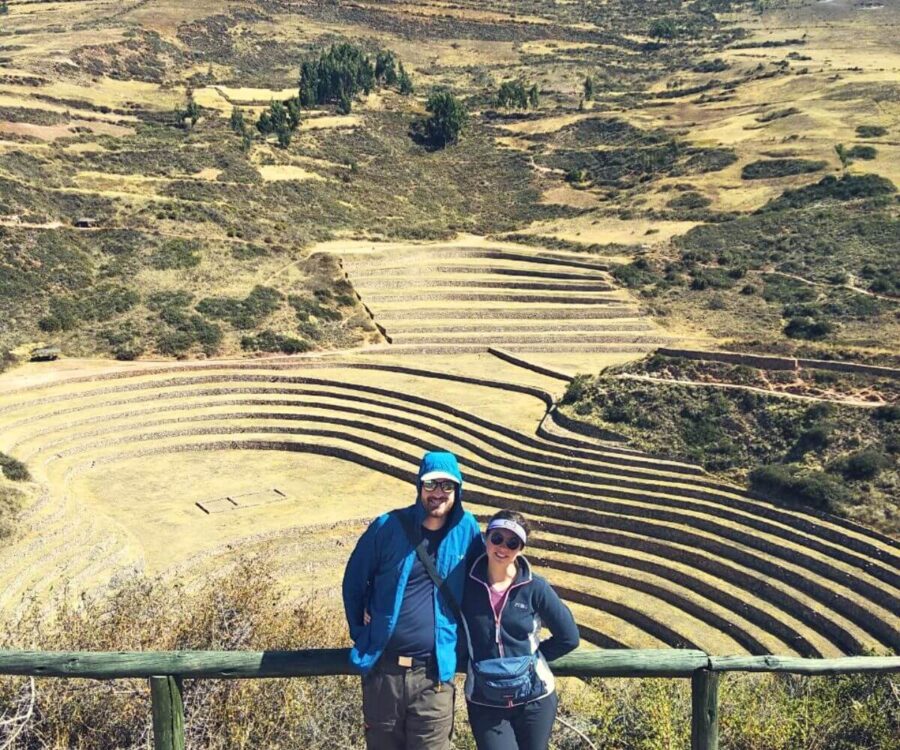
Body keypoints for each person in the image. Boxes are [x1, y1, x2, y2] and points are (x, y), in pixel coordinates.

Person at [342, 450, 483, 750]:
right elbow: (354, 581)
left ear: (458, 490)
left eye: (447, 486)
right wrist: (361, 630)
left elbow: (481, 583)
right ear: (419, 486)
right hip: (384, 674)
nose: (438, 493)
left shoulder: (467, 530)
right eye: (431, 484)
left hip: (434, 677)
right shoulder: (387, 526)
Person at [462, 510, 579, 750]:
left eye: (512, 542)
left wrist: (530, 661)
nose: (503, 547)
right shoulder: (465, 585)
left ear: (521, 549)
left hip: (535, 699)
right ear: (486, 538)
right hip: (485, 699)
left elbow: (569, 637)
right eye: (497, 538)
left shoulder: (535, 587)